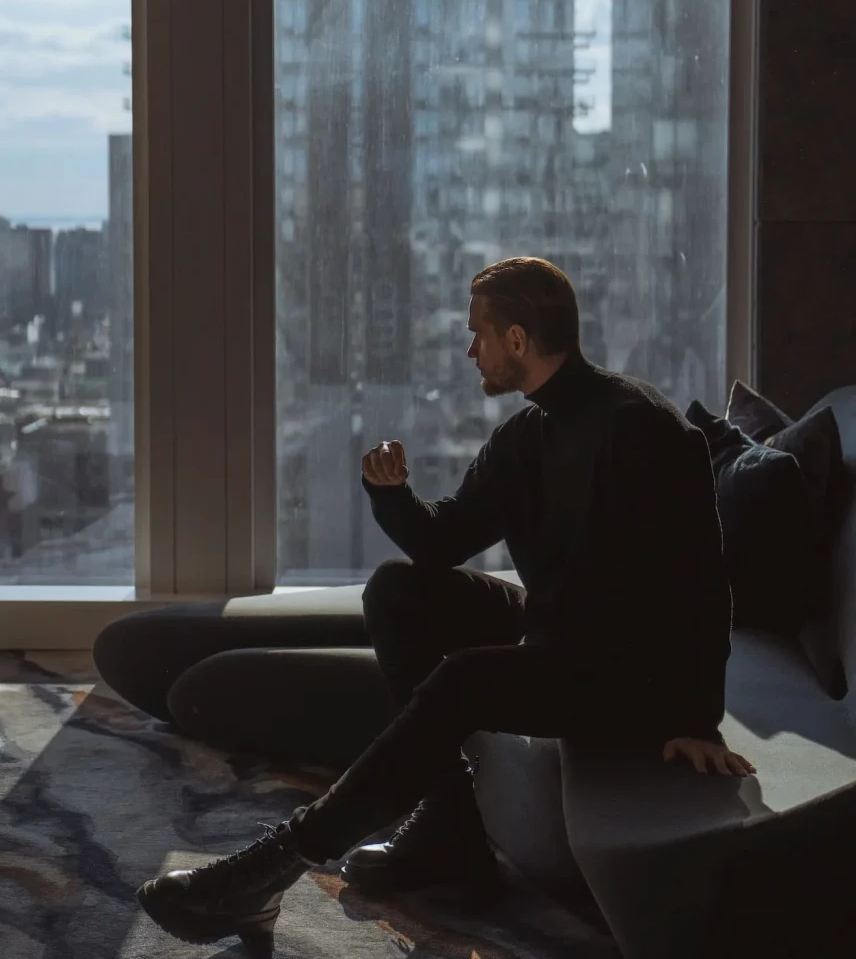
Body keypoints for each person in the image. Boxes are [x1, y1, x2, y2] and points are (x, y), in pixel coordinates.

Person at [134, 257, 755, 956]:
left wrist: (695, 717)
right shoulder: (525, 437)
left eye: (477, 335)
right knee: (398, 588)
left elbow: (703, 580)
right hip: (560, 638)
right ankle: (451, 833)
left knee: (464, 680)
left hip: (623, 675)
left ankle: (268, 871)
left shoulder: (639, 428)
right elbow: (441, 542)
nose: (470, 351)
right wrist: (390, 493)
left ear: (516, 340)